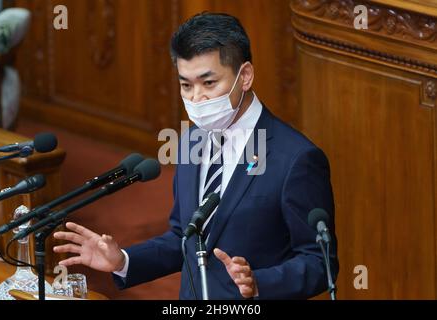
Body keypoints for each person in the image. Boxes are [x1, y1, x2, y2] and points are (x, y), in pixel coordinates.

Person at [53, 12, 338, 300]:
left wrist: (259, 282)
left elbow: (320, 262)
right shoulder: (191, 140)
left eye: (209, 83)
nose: (196, 98)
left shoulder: (296, 158)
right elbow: (184, 237)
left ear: (246, 76)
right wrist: (123, 261)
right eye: (186, 85)